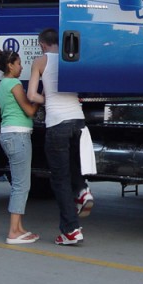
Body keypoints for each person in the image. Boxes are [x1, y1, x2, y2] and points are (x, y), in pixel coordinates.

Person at [27, 28, 93, 245]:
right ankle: (82, 191)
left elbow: (31, 95)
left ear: (43, 45)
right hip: (78, 121)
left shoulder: (40, 62)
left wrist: (46, 99)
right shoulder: (71, 60)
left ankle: (71, 230)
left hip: (57, 124)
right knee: (74, 165)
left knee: (60, 179)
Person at [0, 50, 40, 244]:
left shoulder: (1, 85)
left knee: (21, 183)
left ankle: (19, 227)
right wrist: (40, 99)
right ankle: (13, 231)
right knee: (21, 185)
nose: (22, 67)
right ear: (10, 65)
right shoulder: (14, 84)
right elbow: (29, 110)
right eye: (19, 63)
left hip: (8, 134)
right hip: (18, 135)